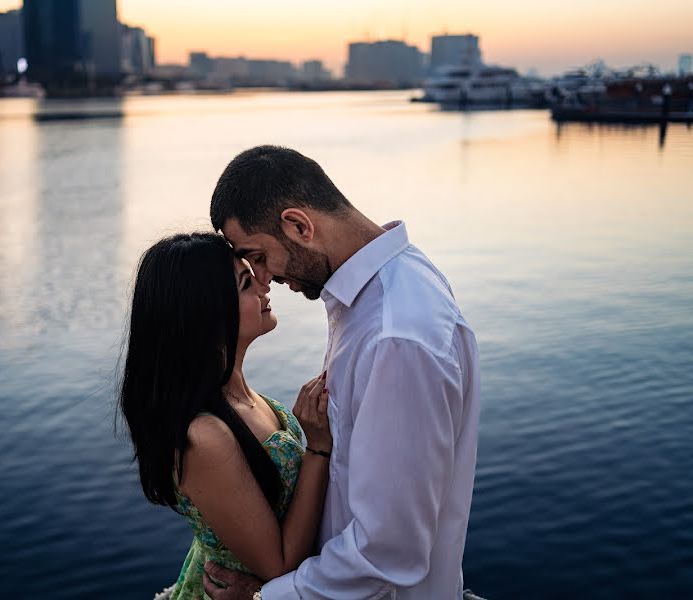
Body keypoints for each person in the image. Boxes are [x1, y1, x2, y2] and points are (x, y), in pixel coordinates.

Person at [202, 145, 481, 600]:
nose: (264, 278)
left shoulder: (397, 336)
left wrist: (262, 599)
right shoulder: (381, 292)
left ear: (298, 226)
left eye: (259, 255)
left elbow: (387, 552)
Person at [119, 232, 335, 600]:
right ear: (208, 313)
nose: (265, 286)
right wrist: (317, 448)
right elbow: (279, 566)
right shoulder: (205, 436)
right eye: (246, 283)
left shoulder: (239, 395)